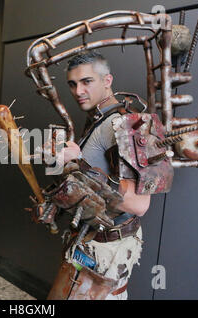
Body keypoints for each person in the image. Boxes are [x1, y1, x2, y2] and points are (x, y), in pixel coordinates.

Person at [48, 51, 150, 300]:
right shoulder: (96, 120)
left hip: (108, 251)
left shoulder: (122, 125)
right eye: (72, 84)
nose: (78, 91)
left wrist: (78, 163)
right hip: (88, 241)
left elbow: (139, 204)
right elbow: (89, 182)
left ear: (107, 80)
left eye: (86, 81)